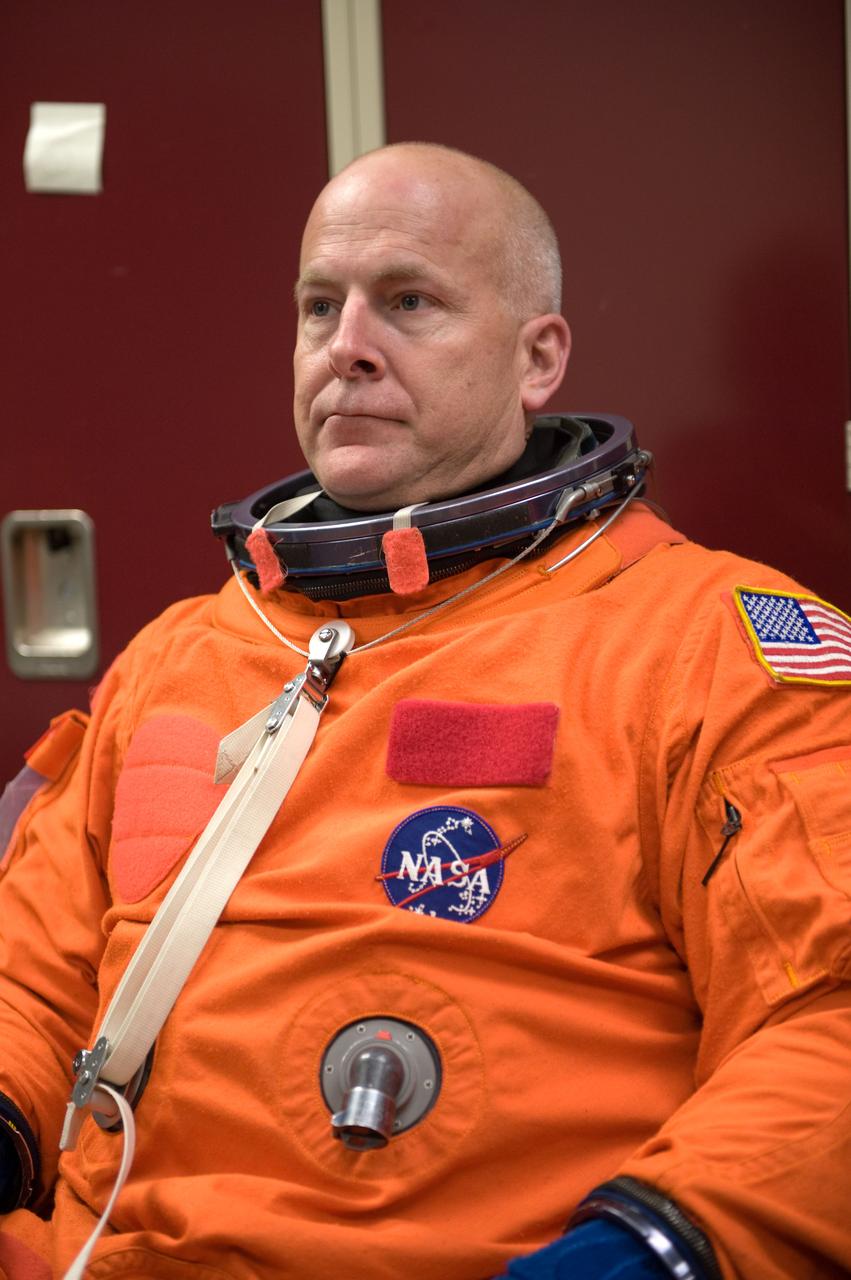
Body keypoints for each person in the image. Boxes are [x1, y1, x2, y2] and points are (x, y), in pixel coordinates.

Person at [0, 142, 849, 1280]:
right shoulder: (179, 654)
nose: (345, 346)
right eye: (319, 306)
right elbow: (28, 981)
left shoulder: (707, 645)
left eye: (408, 302)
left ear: (537, 357)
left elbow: (828, 1009)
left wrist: (654, 1246)